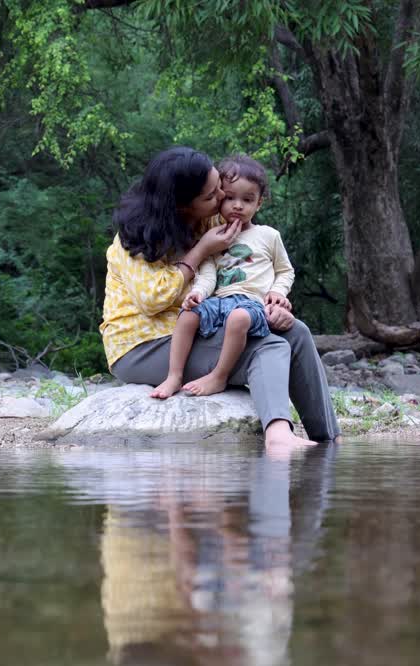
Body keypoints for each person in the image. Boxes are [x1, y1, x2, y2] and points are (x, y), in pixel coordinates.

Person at [100, 146, 339, 451]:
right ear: (182, 205)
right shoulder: (134, 238)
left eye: (220, 191)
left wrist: (271, 303)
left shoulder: (208, 222)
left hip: (203, 326)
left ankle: (329, 440)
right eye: (214, 196)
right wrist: (200, 251)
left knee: (296, 332)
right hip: (143, 347)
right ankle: (278, 434)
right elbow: (153, 299)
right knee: (268, 347)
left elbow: (249, 268)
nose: (222, 200)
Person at [150, 154, 292, 399]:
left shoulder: (268, 235)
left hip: (250, 304)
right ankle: (174, 375)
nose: (237, 205)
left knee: (237, 319)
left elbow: (285, 270)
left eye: (247, 200)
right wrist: (197, 294)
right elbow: (207, 274)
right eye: (230, 198)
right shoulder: (214, 235)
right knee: (187, 316)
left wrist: (278, 292)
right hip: (219, 301)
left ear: (259, 204)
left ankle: (219, 376)